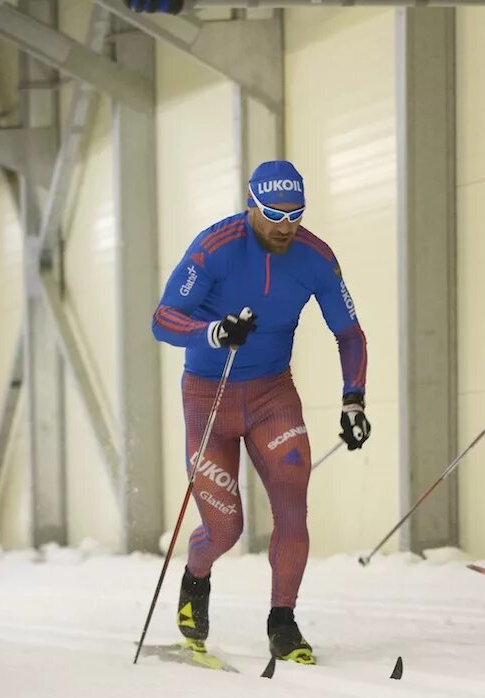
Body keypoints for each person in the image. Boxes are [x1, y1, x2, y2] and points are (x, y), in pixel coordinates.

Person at [151, 160, 371, 664]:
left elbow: (349, 333)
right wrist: (212, 332)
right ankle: (196, 574)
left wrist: (353, 397)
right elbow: (163, 319)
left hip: (273, 395)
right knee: (226, 529)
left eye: (295, 215)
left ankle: (283, 621)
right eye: (273, 214)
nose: (284, 226)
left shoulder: (315, 257)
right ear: (251, 205)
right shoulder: (216, 248)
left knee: (293, 504)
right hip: (210, 393)